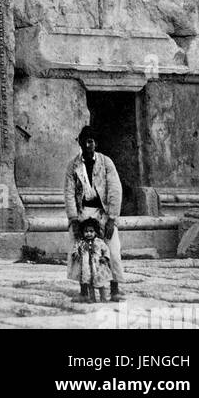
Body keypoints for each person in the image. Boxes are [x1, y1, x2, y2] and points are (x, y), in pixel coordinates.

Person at [63, 125, 124, 301]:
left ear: (96, 143)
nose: (89, 145)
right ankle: (84, 292)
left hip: (103, 212)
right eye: (85, 141)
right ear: (80, 143)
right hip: (82, 213)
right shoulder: (73, 166)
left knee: (112, 250)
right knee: (80, 252)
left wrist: (112, 218)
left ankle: (115, 289)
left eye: (92, 141)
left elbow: (115, 189)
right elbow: (68, 193)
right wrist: (73, 219)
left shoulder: (106, 163)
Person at [73, 218, 112, 303]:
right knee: (89, 284)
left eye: (91, 231)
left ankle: (104, 299)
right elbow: (75, 250)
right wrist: (77, 254)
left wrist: (105, 257)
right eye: (86, 232)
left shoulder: (99, 242)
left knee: (103, 283)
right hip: (87, 267)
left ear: (95, 232)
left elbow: (106, 250)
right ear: (82, 233)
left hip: (98, 266)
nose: (89, 234)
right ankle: (91, 299)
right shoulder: (81, 243)